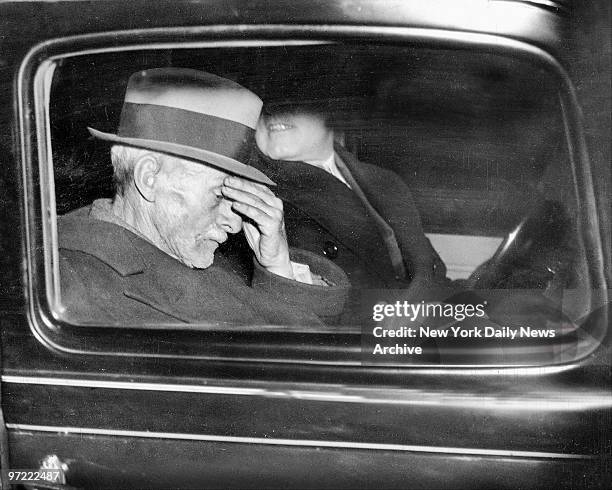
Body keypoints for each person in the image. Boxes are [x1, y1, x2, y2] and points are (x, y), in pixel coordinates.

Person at [58, 68, 349, 326]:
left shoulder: (178, 248)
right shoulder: (78, 289)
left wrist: (276, 266)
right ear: (149, 177)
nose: (236, 226)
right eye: (220, 194)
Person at [252, 102, 447, 293]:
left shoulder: (386, 182)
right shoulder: (250, 194)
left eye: (293, 96)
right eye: (264, 97)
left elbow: (429, 274)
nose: (272, 108)